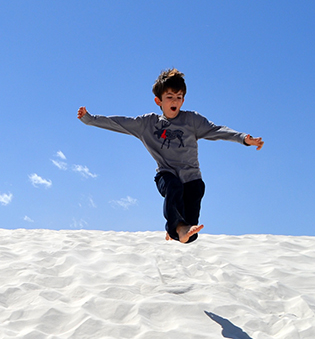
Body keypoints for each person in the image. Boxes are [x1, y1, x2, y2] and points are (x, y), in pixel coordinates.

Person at [77, 68, 264, 243]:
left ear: (183, 100)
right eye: (169, 97)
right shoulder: (148, 124)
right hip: (166, 175)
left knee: (191, 233)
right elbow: (120, 123)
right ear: (158, 100)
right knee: (174, 188)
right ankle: (176, 226)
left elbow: (216, 131)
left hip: (192, 178)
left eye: (179, 97)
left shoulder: (192, 120)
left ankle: (178, 228)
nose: (174, 101)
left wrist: (243, 139)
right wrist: (89, 119)